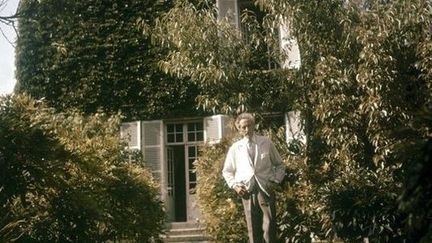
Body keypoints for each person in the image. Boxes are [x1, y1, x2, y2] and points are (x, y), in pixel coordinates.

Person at [222, 112, 286, 243]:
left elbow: (280, 165)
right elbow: (227, 171)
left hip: (266, 188)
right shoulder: (235, 148)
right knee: (252, 227)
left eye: (249, 126)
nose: (247, 130)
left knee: (269, 227)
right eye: (243, 127)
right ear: (239, 129)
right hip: (247, 190)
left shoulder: (266, 142)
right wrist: (235, 186)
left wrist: (276, 181)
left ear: (254, 126)